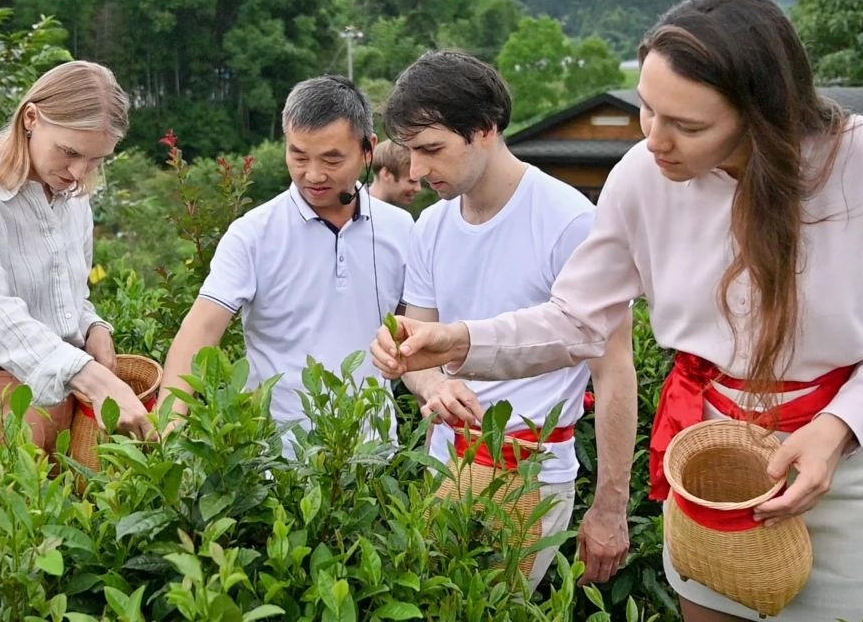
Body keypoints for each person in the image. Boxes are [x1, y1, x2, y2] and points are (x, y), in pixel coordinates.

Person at [371, 0, 863, 622]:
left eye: (689, 125)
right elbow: (578, 320)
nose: (655, 140)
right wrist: (457, 341)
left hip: (846, 468)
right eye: (648, 110)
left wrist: (838, 430)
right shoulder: (641, 177)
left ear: (760, 113)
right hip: (705, 462)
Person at [383, 50, 638, 592]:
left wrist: (611, 507)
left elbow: (613, 370)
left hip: (533, 471)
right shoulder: (430, 226)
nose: (417, 171)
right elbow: (418, 353)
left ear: (485, 130)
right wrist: (430, 385)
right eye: (410, 153)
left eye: (431, 150)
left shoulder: (569, 221)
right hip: (445, 464)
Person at [0, 60, 153, 518]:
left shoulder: (71, 200)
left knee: (47, 556)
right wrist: (94, 376)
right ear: (30, 119)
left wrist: (93, 326)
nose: (80, 172)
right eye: (69, 152)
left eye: (96, 160)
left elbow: (68, 295)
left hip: (58, 394)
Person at [158, 75, 413, 454]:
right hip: (276, 463)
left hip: (373, 458)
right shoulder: (254, 234)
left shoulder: (401, 230)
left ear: (368, 150)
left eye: (331, 159)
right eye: (298, 156)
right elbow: (200, 333)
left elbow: (420, 331)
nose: (313, 174)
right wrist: (168, 428)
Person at [366, 136, 422, 208]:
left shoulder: (401, 216)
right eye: (411, 181)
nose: (418, 188)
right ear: (386, 174)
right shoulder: (352, 210)